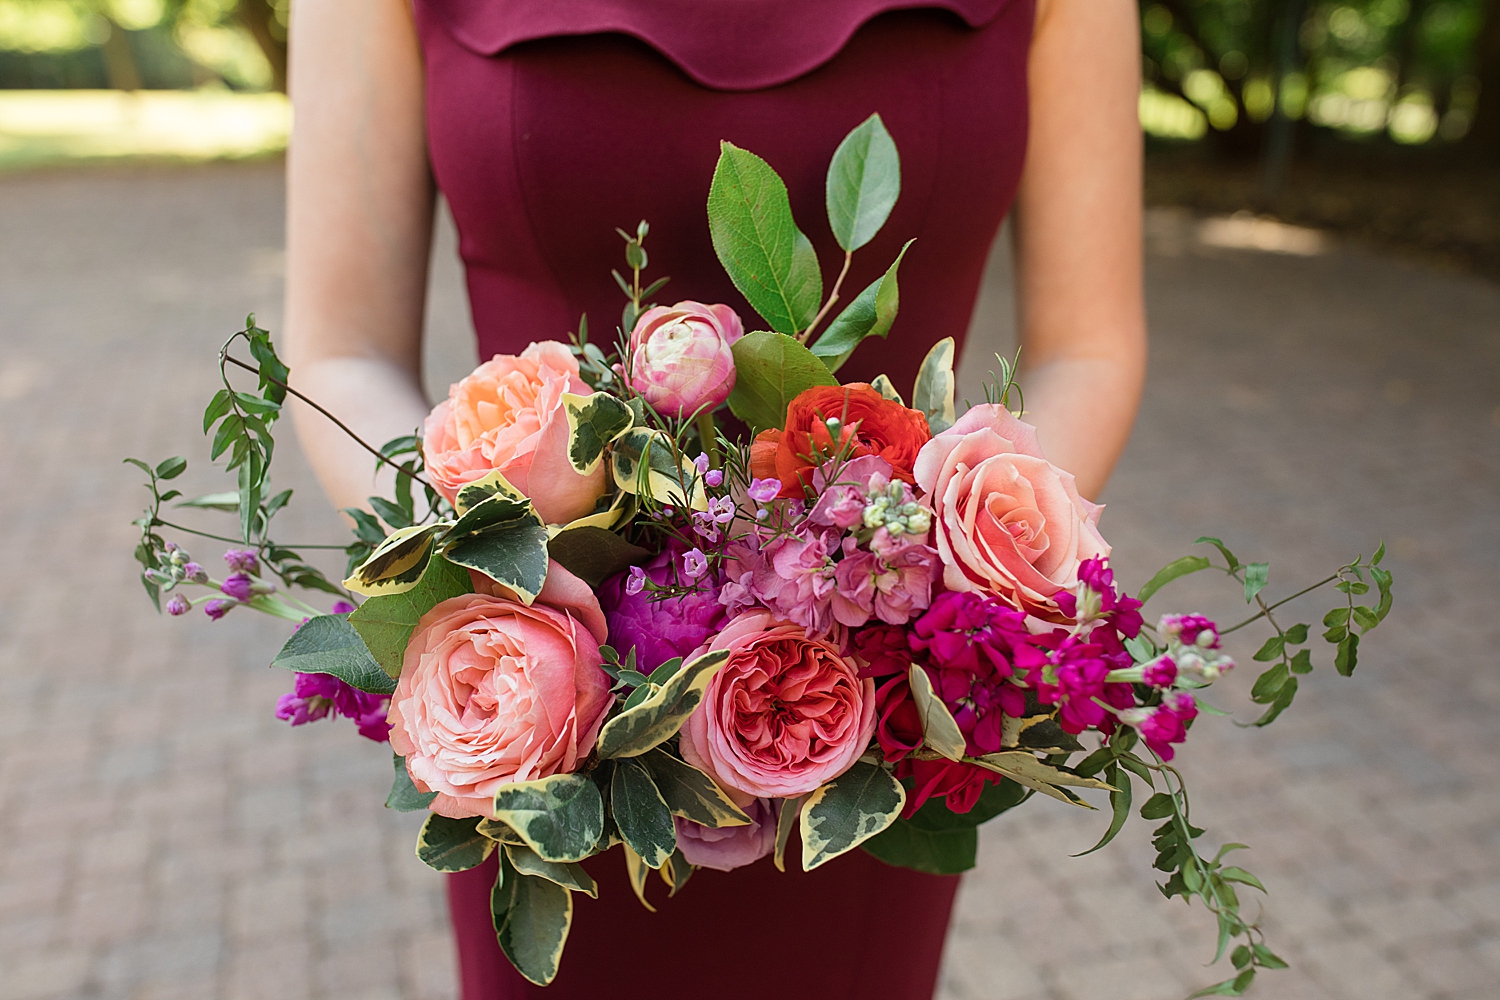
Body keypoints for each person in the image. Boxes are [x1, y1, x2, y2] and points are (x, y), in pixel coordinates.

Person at [283, 1, 1146, 997]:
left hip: (874, 711)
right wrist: (496, 593)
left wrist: (948, 592)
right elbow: (340, 353)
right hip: (552, 733)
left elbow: (1092, 346)